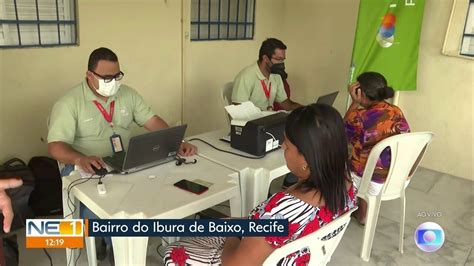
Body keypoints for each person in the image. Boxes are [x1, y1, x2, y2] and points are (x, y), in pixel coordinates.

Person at [47, 47, 197, 261]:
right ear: (89, 75)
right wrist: (79, 158)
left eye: (117, 76)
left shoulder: (127, 94)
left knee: (166, 192)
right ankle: (115, 249)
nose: (114, 82)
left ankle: (157, 244)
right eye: (107, 77)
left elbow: (152, 121)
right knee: (109, 215)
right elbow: (55, 147)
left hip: (123, 162)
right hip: (85, 167)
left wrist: (176, 141)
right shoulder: (68, 103)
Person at [163, 104, 356, 265]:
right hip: (297, 254)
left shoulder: (282, 209)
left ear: (306, 159)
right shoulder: (347, 185)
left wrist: (233, 234)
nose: (282, 147)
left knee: (174, 251)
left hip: (247, 258)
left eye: (287, 146)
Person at [344, 72, 410, 224]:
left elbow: (341, 134)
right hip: (399, 177)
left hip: (373, 181)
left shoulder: (359, 116)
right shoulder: (395, 110)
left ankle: (339, 210)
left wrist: (354, 102)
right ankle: (363, 214)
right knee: (369, 158)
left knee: (335, 162)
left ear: (360, 92)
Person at [232, 38, 302, 111]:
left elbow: (286, 104)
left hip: (269, 119)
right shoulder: (246, 77)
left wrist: (308, 109)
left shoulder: (276, 75)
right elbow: (238, 109)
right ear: (265, 58)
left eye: (283, 60)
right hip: (251, 121)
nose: (281, 63)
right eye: (278, 59)